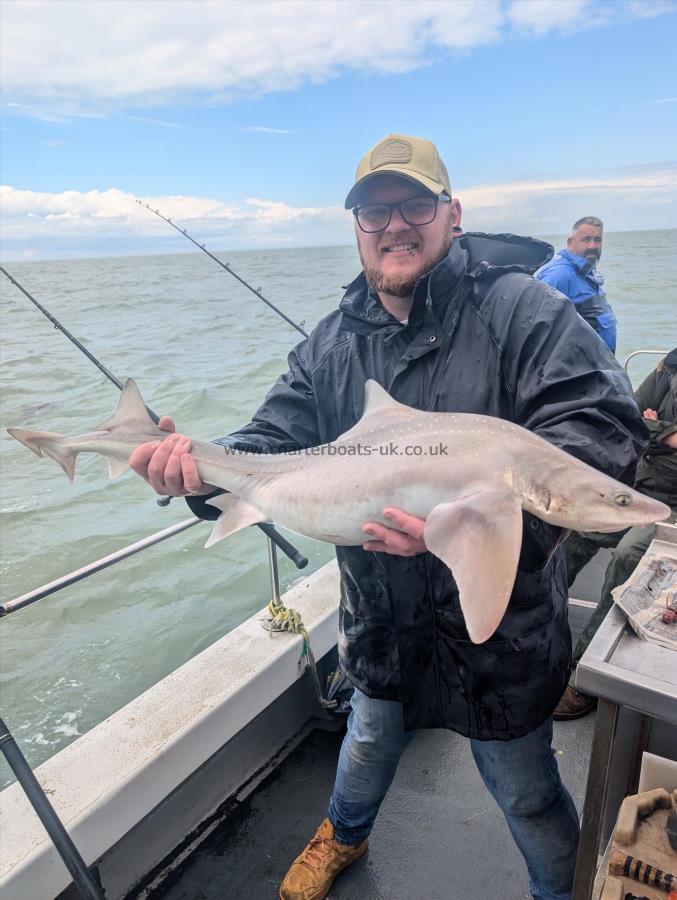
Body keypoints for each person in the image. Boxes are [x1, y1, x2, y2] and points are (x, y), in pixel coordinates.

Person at [129, 134, 647, 900]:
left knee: (527, 788)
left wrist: (486, 526)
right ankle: (341, 834)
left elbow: (599, 429)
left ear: (452, 213)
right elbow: (266, 443)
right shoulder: (332, 346)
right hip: (379, 623)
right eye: (375, 213)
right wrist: (196, 472)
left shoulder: (521, 310)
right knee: (366, 742)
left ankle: (556, 891)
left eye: (413, 206)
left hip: (500, 632)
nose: (394, 226)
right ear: (357, 228)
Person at [555, 349, 677, 720]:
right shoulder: (671, 365)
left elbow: (646, 423)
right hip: (638, 487)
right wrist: (667, 434)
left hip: (672, 512)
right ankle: (538, 626)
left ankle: (585, 676)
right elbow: (631, 418)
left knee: (629, 554)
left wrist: (656, 428)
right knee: (574, 530)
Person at [534, 216, 617, 353]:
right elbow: (537, 326)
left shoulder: (587, 273)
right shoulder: (560, 274)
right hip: (577, 367)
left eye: (598, 240)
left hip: (599, 365)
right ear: (570, 242)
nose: (592, 246)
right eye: (586, 240)